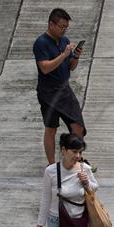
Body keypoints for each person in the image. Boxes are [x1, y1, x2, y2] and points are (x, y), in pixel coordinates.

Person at [33, 8, 86, 165]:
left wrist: (75, 55)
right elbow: (45, 68)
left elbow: (70, 67)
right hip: (48, 93)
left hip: (64, 91)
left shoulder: (64, 41)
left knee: (78, 127)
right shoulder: (41, 43)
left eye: (66, 27)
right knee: (51, 129)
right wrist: (63, 54)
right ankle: (51, 164)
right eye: (61, 26)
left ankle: (75, 160)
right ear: (51, 24)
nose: (64, 30)